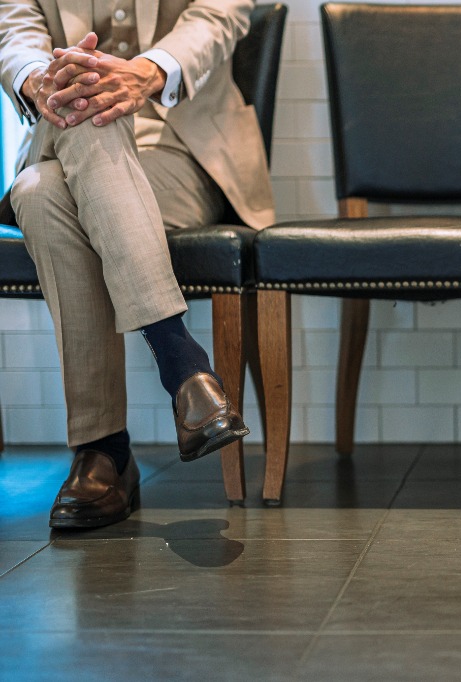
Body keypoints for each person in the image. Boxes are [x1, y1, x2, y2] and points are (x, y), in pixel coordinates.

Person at [0, 0, 274, 529]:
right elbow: (14, 30)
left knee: (38, 191)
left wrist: (147, 72)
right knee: (69, 129)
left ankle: (103, 452)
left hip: (182, 152)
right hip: (63, 132)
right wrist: (40, 78)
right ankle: (184, 367)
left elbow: (220, 15)